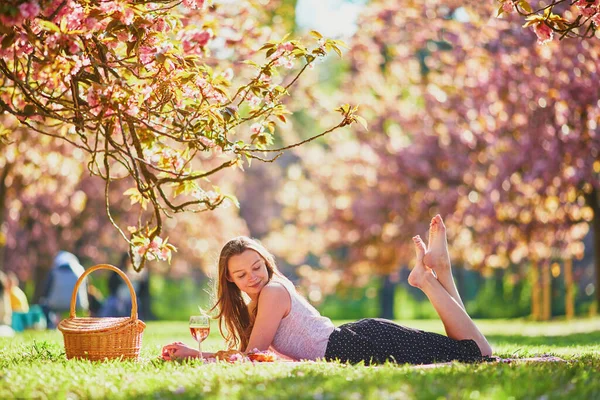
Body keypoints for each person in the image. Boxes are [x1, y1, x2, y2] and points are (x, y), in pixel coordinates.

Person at [162, 215, 493, 365]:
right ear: (230, 280)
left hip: (353, 345)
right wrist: (203, 355)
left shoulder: (273, 293)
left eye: (257, 267)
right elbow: (256, 356)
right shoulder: (262, 301)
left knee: (478, 354)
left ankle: (427, 280)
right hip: (354, 343)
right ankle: (442, 270)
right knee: (469, 351)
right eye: (241, 274)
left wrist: (196, 355)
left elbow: (252, 357)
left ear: (266, 263)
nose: (252, 277)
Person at [40, 251, 89, 328]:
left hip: (56, 304)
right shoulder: (80, 271)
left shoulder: (54, 272)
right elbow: (86, 288)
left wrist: (44, 298)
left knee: (43, 304)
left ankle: (50, 325)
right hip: (78, 304)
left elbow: (46, 290)